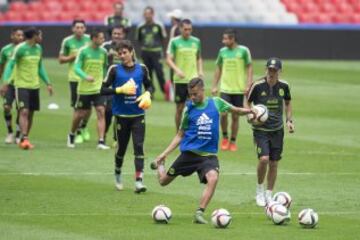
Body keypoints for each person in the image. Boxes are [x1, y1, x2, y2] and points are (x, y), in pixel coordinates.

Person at [152, 78, 253, 224]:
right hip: (189, 154)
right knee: (163, 181)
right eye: (190, 94)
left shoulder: (216, 103)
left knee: (213, 178)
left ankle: (200, 212)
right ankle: (161, 165)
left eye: (195, 94)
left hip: (208, 156)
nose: (192, 97)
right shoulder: (189, 109)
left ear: (202, 90)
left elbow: (235, 110)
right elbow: (180, 134)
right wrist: (163, 154)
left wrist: (250, 111)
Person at [101, 40, 153, 193]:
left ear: (131, 52)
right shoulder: (114, 70)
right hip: (121, 116)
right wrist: (119, 90)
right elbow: (102, 90)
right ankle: (118, 172)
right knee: (121, 149)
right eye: (120, 53)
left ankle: (139, 181)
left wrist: (148, 93)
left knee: (138, 147)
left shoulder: (142, 69)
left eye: (124, 53)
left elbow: (149, 85)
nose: (122, 56)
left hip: (138, 115)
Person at [246, 57, 295, 207]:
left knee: (274, 163)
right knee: (264, 159)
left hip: (277, 130)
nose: (271, 72)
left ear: (279, 71)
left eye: (274, 70)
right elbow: (247, 101)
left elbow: (287, 103)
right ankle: (259, 190)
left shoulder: (284, 86)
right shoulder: (258, 86)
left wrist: (289, 121)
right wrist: (249, 114)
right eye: (269, 69)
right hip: (260, 130)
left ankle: (269, 194)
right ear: (266, 69)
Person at [1, 27, 53, 150]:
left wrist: (48, 83)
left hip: (34, 86)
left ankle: (25, 137)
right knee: (23, 111)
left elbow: (40, 67)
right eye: (40, 35)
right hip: (21, 85)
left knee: (30, 113)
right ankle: (23, 138)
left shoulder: (38, 49)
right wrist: (6, 82)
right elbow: (10, 65)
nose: (41, 38)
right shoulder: (20, 49)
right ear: (34, 36)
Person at [212, 29, 253, 152]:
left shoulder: (244, 51)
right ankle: (224, 137)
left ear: (232, 39)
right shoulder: (222, 52)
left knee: (236, 117)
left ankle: (233, 141)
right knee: (223, 114)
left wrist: (249, 83)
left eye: (225, 39)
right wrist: (214, 85)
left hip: (239, 90)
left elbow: (249, 66)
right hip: (225, 89)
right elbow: (218, 68)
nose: (223, 41)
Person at [67, 29, 109, 150]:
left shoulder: (103, 52)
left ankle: (101, 141)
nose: (103, 40)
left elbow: (104, 67)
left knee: (101, 111)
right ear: (94, 38)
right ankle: (71, 134)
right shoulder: (83, 51)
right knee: (80, 114)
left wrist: (105, 81)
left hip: (98, 88)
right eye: (101, 38)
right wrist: (85, 76)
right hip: (84, 89)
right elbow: (76, 68)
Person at [166, 19, 203, 131]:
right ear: (180, 29)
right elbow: (168, 59)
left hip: (193, 80)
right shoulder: (174, 42)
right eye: (185, 29)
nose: (188, 32)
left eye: (190, 29)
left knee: (195, 106)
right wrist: (177, 70)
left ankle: (193, 131)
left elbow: (199, 58)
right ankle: (178, 132)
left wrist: (200, 70)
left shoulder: (196, 41)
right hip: (180, 81)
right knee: (179, 108)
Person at [59, 19, 91, 144]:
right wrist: (72, 57)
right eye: (77, 27)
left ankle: (83, 127)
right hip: (74, 78)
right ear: (73, 29)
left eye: (82, 27)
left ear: (85, 28)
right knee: (78, 108)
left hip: (89, 78)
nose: (79, 29)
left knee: (89, 107)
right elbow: (61, 60)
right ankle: (77, 131)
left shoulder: (90, 40)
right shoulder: (67, 41)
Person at [102, 26, 126, 144]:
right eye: (114, 33)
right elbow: (99, 60)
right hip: (109, 84)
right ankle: (104, 133)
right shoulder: (105, 47)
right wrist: (108, 56)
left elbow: (132, 62)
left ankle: (117, 138)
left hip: (124, 84)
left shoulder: (127, 47)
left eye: (119, 34)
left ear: (123, 35)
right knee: (108, 112)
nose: (117, 36)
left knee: (120, 113)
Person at [135, 6, 167, 97]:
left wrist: (163, 52)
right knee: (148, 74)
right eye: (145, 14)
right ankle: (150, 92)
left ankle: (165, 92)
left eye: (149, 14)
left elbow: (164, 39)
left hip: (156, 53)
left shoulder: (159, 25)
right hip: (145, 53)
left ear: (153, 14)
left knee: (160, 73)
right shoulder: (140, 27)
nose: (147, 16)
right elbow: (139, 40)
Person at [0, 28, 23, 144]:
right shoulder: (5, 50)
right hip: (9, 84)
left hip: (21, 83)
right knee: (7, 107)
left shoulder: (24, 49)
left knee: (21, 109)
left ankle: (18, 134)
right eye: (17, 35)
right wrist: (2, 84)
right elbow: (1, 67)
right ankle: (10, 132)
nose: (20, 37)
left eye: (21, 35)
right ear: (12, 36)